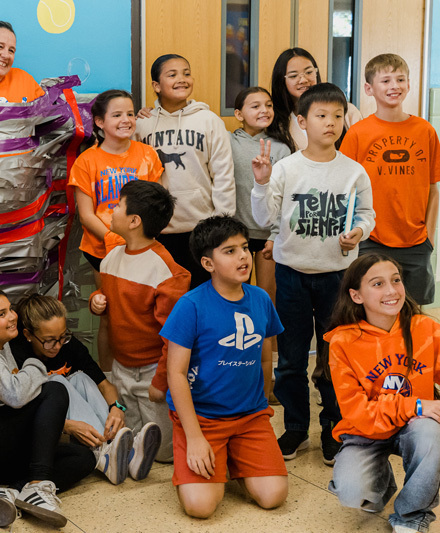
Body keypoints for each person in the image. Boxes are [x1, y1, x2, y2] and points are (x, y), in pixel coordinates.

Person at [251, 83, 375, 466]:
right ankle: (295, 428)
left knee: (335, 357)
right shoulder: (286, 168)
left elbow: (366, 214)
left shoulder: (353, 171)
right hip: (291, 275)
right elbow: (264, 217)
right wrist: (261, 182)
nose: (331, 123)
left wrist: (359, 231)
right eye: (321, 115)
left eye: (337, 116)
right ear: (302, 121)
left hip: (338, 278)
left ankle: (333, 429)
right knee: (291, 359)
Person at [158, 215, 288, 518]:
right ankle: (209, 460)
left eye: (244, 247)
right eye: (230, 251)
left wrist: (261, 405)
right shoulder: (190, 305)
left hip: (250, 417)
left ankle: (234, 458)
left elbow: (265, 356)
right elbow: (175, 374)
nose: (243, 256)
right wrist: (194, 437)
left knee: (273, 496)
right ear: (208, 264)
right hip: (202, 419)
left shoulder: (260, 298)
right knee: (200, 506)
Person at [0, 288, 95, 528]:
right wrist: (35, 363)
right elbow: (17, 395)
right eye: (1, 314)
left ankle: (10, 492)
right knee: (54, 391)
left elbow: (23, 394)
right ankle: (38, 483)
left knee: (82, 458)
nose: (13, 316)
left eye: (10, 310)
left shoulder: (1, 345)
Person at [325, 254, 440, 533]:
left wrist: (422, 411)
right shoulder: (342, 341)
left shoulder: (426, 328)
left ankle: (411, 515)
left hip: (415, 425)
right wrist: (416, 405)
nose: (391, 291)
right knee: (352, 491)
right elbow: (357, 412)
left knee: (432, 434)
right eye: (377, 284)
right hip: (365, 430)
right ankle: (381, 483)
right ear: (356, 295)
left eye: (396, 280)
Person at [12, 293, 162, 485]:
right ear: (28, 335)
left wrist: (116, 408)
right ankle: (106, 452)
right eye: (49, 340)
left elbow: (104, 384)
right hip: (39, 428)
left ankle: (124, 453)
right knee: (57, 381)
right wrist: (66, 425)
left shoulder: (69, 345)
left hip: (74, 421)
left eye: (62, 337)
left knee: (81, 377)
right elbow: (21, 414)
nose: (57, 346)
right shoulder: (17, 355)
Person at [90, 180, 190, 464]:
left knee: (163, 451)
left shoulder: (165, 271)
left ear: (134, 221)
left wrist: (161, 380)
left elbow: (175, 337)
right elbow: (107, 297)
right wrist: (96, 301)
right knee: (131, 435)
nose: (112, 209)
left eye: (118, 205)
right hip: (121, 367)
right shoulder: (111, 258)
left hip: (152, 371)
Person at [69, 89, 163, 371]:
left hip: (143, 248)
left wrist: (138, 241)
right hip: (103, 250)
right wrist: (114, 239)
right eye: (117, 115)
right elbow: (86, 215)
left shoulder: (147, 155)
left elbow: (157, 205)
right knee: (110, 315)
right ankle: (109, 377)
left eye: (131, 114)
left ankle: (149, 372)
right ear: (99, 122)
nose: (126, 120)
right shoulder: (87, 161)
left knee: (147, 313)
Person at [340, 54, 440, 306]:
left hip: (416, 242)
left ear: (409, 84)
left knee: (413, 313)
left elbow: (433, 188)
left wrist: (428, 237)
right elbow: (344, 190)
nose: (394, 86)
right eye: (385, 80)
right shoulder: (357, 133)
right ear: (369, 88)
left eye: (400, 79)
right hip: (370, 240)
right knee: (373, 310)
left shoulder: (425, 131)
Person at [135, 54, 236, 289]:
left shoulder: (210, 121)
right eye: (172, 75)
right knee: (163, 298)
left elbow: (223, 175)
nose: (182, 79)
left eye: (186, 73)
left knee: (201, 296)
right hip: (156, 231)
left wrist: (221, 225)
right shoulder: (142, 125)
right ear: (156, 86)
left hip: (200, 231)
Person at [231, 87, 291, 378]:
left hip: (269, 235)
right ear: (239, 114)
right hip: (237, 235)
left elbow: (285, 197)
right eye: (254, 106)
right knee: (237, 298)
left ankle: (272, 369)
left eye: (268, 104)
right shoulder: (227, 142)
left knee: (268, 299)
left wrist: (275, 234)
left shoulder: (281, 148)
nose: (264, 110)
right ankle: (242, 362)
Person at [268, 48, 363, 154]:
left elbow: (364, 150)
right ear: (281, 80)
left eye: (309, 72)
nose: (303, 80)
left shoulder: (348, 111)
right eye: (293, 76)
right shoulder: (276, 123)